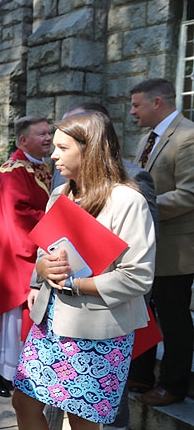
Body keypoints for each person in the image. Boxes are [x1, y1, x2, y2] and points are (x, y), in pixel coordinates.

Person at [12, 111, 155, 429]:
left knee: (81, 421)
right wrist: (43, 268)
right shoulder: (59, 195)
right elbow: (43, 254)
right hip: (50, 324)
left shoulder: (127, 201)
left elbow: (138, 276)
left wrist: (77, 284)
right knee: (22, 401)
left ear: (88, 149)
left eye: (62, 148)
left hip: (97, 332)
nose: (53, 154)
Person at [0, 115, 53, 398]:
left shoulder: (39, 166)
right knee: (9, 317)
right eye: (41, 133)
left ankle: (13, 371)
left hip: (28, 250)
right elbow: (20, 216)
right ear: (23, 140)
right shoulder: (13, 171)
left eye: (49, 133)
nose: (48, 138)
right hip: (11, 256)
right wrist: (58, 221)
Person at [127, 78, 194, 407]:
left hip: (176, 249)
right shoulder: (146, 140)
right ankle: (140, 374)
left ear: (158, 103)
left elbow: (189, 194)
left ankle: (173, 385)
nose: (131, 112)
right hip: (146, 246)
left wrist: (138, 207)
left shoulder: (188, 137)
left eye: (136, 105)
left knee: (173, 317)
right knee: (143, 312)